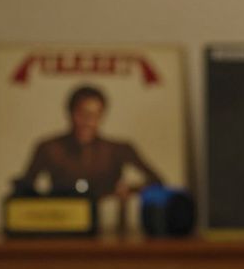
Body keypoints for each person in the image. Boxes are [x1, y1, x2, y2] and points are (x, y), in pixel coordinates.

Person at [18, 85, 163, 200]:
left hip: (106, 223)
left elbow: (157, 182)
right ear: (70, 112)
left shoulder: (119, 149)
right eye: (82, 113)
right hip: (63, 222)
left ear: (102, 115)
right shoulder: (49, 148)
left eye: (94, 115)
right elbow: (24, 188)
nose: (88, 121)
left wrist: (132, 189)